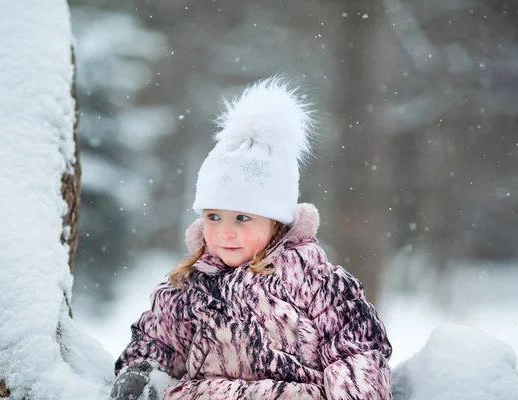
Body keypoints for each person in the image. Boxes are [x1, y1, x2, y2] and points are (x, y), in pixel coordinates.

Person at [112, 77, 393, 400]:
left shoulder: (319, 284)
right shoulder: (188, 288)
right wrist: (140, 373)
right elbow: (156, 343)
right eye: (213, 217)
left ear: (276, 222)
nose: (225, 232)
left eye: (242, 218)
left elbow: (356, 353)